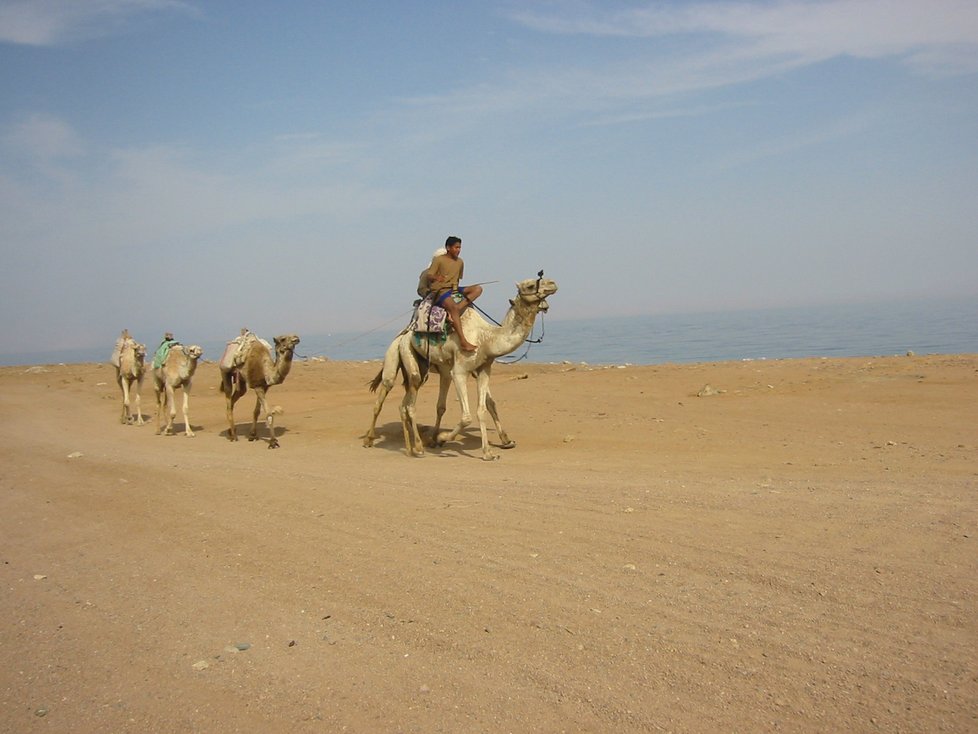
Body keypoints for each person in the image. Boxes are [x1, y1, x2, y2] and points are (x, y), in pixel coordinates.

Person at [425, 236, 482, 352]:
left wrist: (456, 294)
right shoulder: (439, 260)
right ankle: (463, 342)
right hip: (441, 291)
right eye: (456, 247)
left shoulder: (460, 262)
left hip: (454, 290)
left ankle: (453, 311)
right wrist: (437, 277)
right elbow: (429, 275)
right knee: (454, 308)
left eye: (459, 247)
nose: (458, 250)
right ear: (448, 248)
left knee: (478, 289)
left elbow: (457, 279)